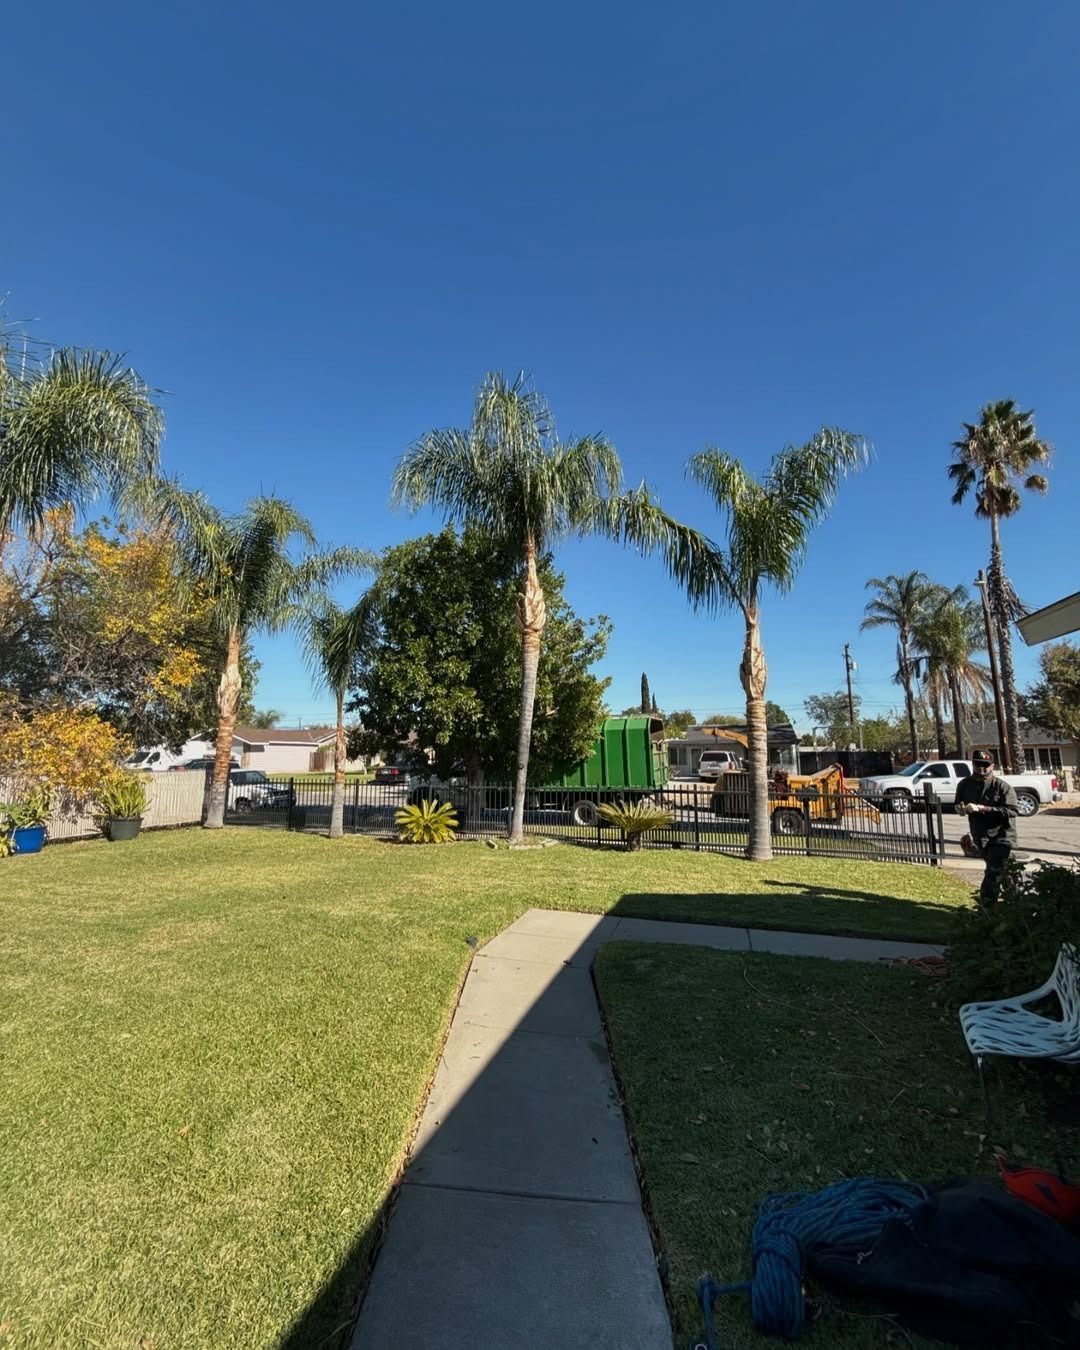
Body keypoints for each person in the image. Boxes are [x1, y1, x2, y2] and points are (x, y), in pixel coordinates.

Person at [954, 749, 1018, 903]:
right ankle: (1014, 902)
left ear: (993, 766)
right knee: (1004, 872)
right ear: (973, 764)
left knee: (993, 872)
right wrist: (961, 809)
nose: (982, 768)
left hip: (1002, 836)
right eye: (978, 765)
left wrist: (983, 809)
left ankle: (986, 906)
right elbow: (958, 804)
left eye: (985, 765)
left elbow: (1012, 811)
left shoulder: (1002, 786)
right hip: (980, 836)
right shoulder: (964, 784)